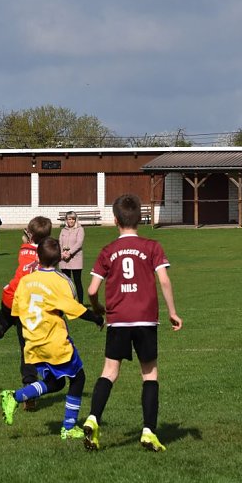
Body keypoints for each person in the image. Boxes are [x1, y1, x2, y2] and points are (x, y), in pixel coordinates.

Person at [82, 194, 182, 452]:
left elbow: (92, 289)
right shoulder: (152, 246)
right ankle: (148, 431)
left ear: (115, 220)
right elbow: (164, 281)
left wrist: (98, 309)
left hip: (118, 320)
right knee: (149, 374)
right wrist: (172, 311)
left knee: (109, 372)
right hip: (146, 319)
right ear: (140, 219)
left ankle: (93, 418)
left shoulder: (107, 251)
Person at [0, 237, 104, 440]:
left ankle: (14, 396)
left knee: (56, 383)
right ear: (59, 260)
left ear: (38, 257)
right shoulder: (59, 281)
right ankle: (68, 427)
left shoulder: (25, 281)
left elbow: (17, 310)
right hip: (54, 341)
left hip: (33, 341)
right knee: (78, 378)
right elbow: (76, 309)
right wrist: (97, 318)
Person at [0, 216, 53, 401]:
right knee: (27, 347)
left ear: (29, 235)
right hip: (29, 304)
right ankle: (29, 387)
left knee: (4, 318)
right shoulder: (47, 256)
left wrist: (28, 236)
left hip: (11, 296)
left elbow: (28, 244)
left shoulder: (24, 250)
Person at [59, 211, 85, 303]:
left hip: (75, 259)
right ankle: (68, 302)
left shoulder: (80, 229)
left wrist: (69, 253)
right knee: (66, 283)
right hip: (64, 259)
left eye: (73, 219)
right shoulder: (63, 230)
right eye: (69, 219)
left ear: (75, 220)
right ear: (66, 220)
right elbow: (60, 242)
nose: (71, 221)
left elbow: (79, 243)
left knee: (77, 281)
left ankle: (80, 303)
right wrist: (62, 253)